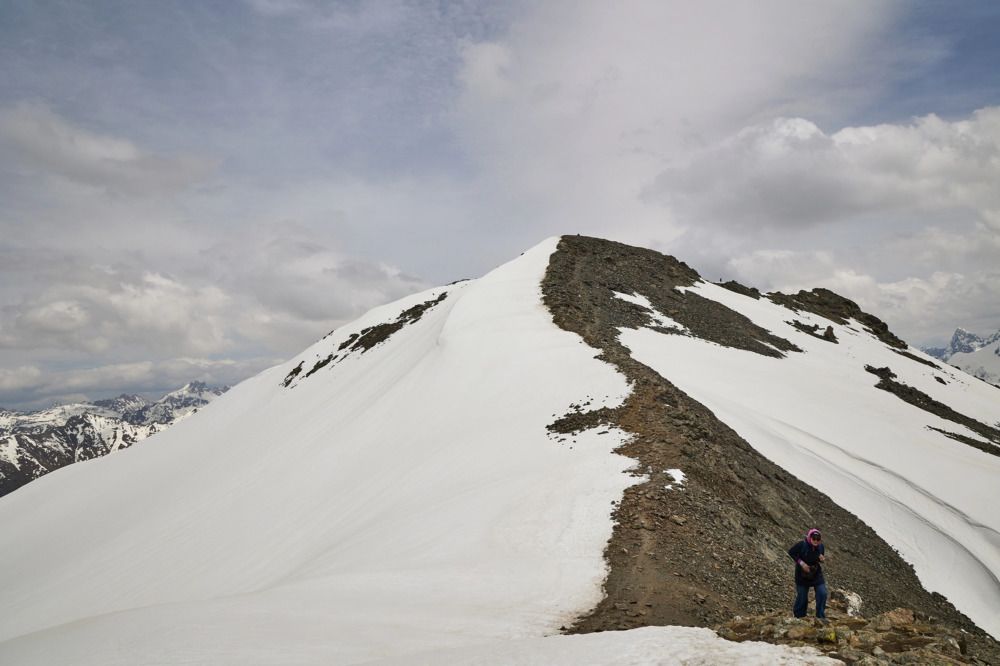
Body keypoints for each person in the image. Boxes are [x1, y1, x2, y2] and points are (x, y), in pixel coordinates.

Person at [788, 528, 827, 619]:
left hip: (815, 573)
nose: (816, 541)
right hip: (802, 574)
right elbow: (791, 552)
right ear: (809, 537)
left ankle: (820, 617)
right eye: (814, 538)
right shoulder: (802, 545)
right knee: (802, 596)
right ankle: (799, 617)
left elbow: (819, 558)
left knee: (822, 593)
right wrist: (802, 563)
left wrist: (822, 559)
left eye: (818, 539)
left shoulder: (821, 547)